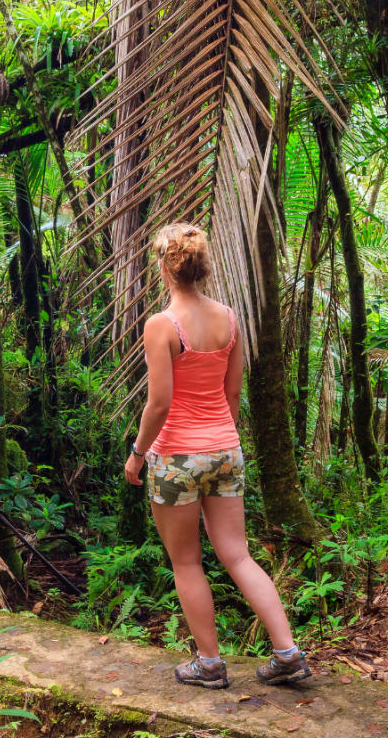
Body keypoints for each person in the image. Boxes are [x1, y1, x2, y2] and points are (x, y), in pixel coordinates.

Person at [123, 222, 311, 689]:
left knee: (187, 562)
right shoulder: (229, 318)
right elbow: (231, 394)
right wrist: (218, 438)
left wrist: (137, 455)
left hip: (177, 457)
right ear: (201, 267)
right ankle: (287, 652)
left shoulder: (161, 326)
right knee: (239, 555)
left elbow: (159, 403)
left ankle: (209, 665)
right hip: (226, 450)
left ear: (166, 269)